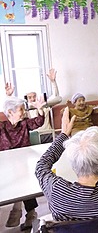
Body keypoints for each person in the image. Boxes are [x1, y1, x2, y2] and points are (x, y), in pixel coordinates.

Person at [0, 96, 46, 230]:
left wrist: (40, 109)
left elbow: (39, 122)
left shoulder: (24, 123)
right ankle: (23, 211)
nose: (24, 112)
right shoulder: (2, 127)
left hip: (24, 162)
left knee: (24, 182)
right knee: (16, 181)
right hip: (7, 165)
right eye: (21, 109)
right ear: (10, 112)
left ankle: (22, 211)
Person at [6, 68, 62, 143]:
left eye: (34, 96)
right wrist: (9, 96)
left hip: (48, 134)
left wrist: (53, 82)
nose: (32, 99)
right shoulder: (24, 109)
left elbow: (58, 98)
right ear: (26, 98)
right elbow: (12, 109)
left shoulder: (44, 104)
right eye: (30, 97)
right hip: (35, 136)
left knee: (62, 142)